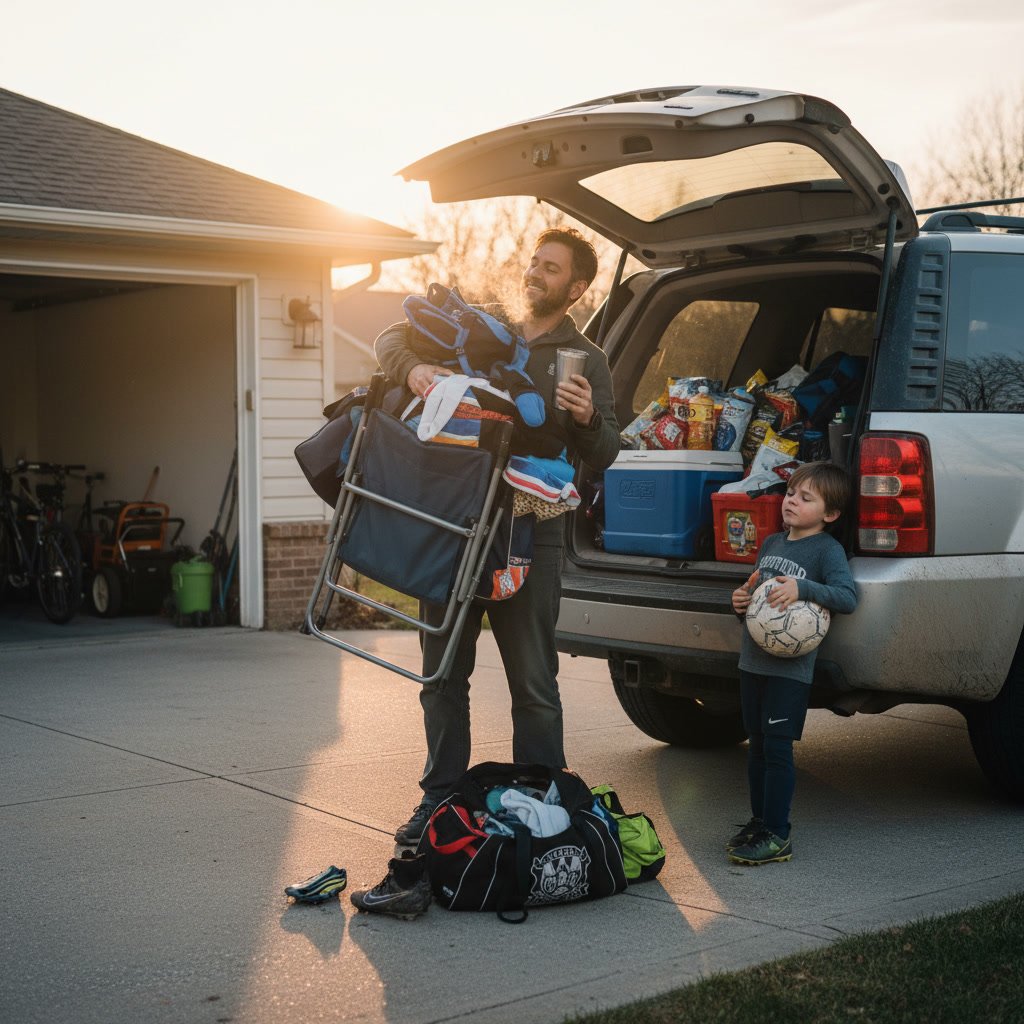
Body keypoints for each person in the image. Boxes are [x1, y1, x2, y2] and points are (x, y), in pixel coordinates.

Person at [374, 227, 621, 845]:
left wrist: (588, 418)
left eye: (551, 268)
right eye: (534, 263)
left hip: (529, 533)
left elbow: (610, 450)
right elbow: (388, 338)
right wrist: (416, 370)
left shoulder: (587, 359)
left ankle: (537, 804)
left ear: (578, 287)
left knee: (533, 680)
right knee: (442, 675)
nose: (535, 273)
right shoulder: (483, 328)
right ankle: (438, 801)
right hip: (454, 525)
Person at [728, 461, 858, 865]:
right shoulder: (771, 545)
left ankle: (778, 833)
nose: (792, 502)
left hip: (790, 670)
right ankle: (759, 821)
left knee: (779, 749)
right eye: (790, 494)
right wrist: (740, 603)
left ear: (830, 514)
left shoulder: (827, 551)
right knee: (757, 747)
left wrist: (803, 587)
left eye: (806, 498)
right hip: (753, 663)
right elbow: (756, 594)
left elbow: (847, 597)